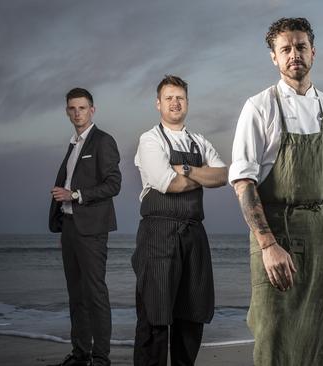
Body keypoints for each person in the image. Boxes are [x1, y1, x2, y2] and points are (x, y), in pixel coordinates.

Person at [229, 17, 323, 365]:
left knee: (317, 337)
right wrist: (268, 245)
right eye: (285, 49)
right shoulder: (259, 107)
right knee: (274, 336)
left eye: (300, 46)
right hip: (277, 234)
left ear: (313, 52)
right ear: (274, 57)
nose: (294, 55)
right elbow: (243, 181)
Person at [132, 75, 227, 366]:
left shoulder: (199, 141)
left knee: (192, 313)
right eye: (169, 97)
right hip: (158, 234)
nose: (175, 102)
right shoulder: (149, 140)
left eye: (180, 98)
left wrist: (185, 169)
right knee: (156, 316)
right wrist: (201, 176)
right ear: (158, 103)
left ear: (187, 103)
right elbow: (168, 184)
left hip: (193, 235)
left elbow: (224, 176)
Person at [48, 88, 121, 366]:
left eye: (82, 108)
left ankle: (101, 357)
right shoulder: (73, 144)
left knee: (95, 294)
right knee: (76, 295)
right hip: (69, 227)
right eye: (72, 109)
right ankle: (80, 353)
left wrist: (75, 194)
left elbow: (114, 184)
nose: (77, 113)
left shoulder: (103, 142)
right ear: (67, 112)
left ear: (92, 110)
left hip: (91, 230)